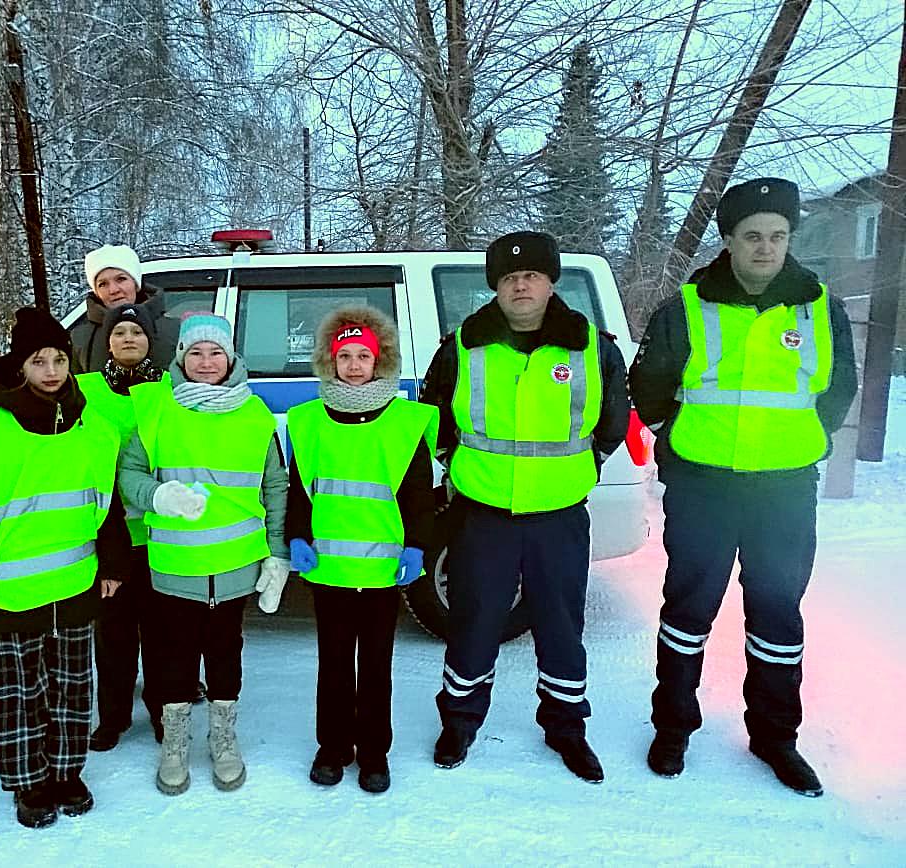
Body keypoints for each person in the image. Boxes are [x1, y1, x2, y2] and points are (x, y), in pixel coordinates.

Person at [628, 178, 857, 797]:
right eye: (752, 236)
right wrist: (678, 444)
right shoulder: (687, 306)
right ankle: (673, 726)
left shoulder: (819, 308)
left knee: (778, 613)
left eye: (777, 236)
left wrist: (801, 441)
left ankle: (776, 738)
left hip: (784, 488)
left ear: (789, 240)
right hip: (704, 484)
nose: (765, 247)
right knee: (688, 610)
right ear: (729, 241)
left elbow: (838, 389)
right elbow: (648, 386)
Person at [420, 231, 630, 782]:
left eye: (532, 275)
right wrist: (458, 465)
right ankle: (460, 720)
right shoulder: (464, 343)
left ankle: (566, 726)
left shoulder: (593, 347)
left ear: (550, 281)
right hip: (483, 513)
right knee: (473, 621)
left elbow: (611, 422)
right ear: (496, 285)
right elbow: (435, 412)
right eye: (510, 277)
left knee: (561, 625)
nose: (521, 284)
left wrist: (581, 470)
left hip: (558, 514)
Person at [0, 307, 126, 828]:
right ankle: (28, 781)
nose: (51, 371)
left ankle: (67, 772)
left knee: (72, 683)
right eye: (38, 360)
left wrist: (112, 563)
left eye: (59, 359)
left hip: (75, 579)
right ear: (19, 365)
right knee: (20, 690)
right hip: (14, 584)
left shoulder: (94, 428)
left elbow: (108, 502)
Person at [118, 313, 289, 796]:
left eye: (216, 352)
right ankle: (173, 742)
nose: (206, 362)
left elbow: (274, 484)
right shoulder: (153, 408)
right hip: (175, 564)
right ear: (180, 359)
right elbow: (127, 472)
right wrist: (157, 496)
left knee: (225, 652)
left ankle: (223, 736)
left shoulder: (256, 414)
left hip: (235, 564)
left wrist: (277, 555)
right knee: (172, 657)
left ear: (232, 358)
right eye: (195, 353)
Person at [285, 306, 437, 794]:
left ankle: (374, 753)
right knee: (332, 663)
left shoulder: (404, 422)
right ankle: (332, 748)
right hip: (328, 567)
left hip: (382, 570)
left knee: (375, 665)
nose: (353, 364)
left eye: (363, 357)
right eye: (344, 356)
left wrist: (417, 547)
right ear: (330, 362)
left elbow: (418, 493)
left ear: (381, 362)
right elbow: (298, 489)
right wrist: (296, 537)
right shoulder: (307, 421)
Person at [75, 303, 166, 750]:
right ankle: (113, 718)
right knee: (112, 636)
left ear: (151, 340)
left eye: (137, 331)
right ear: (107, 341)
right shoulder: (85, 390)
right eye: (119, 332)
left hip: (160, 537)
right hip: (108, 539)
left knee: (162, 634)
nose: (128, 338)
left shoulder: (170, 390)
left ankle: (164, 711)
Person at [71, 244, 180, 373]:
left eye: (121, 279)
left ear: (136, 283)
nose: (113, 290)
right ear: (96, 292)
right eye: (103, 284)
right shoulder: (81, 337)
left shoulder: (176, 330)